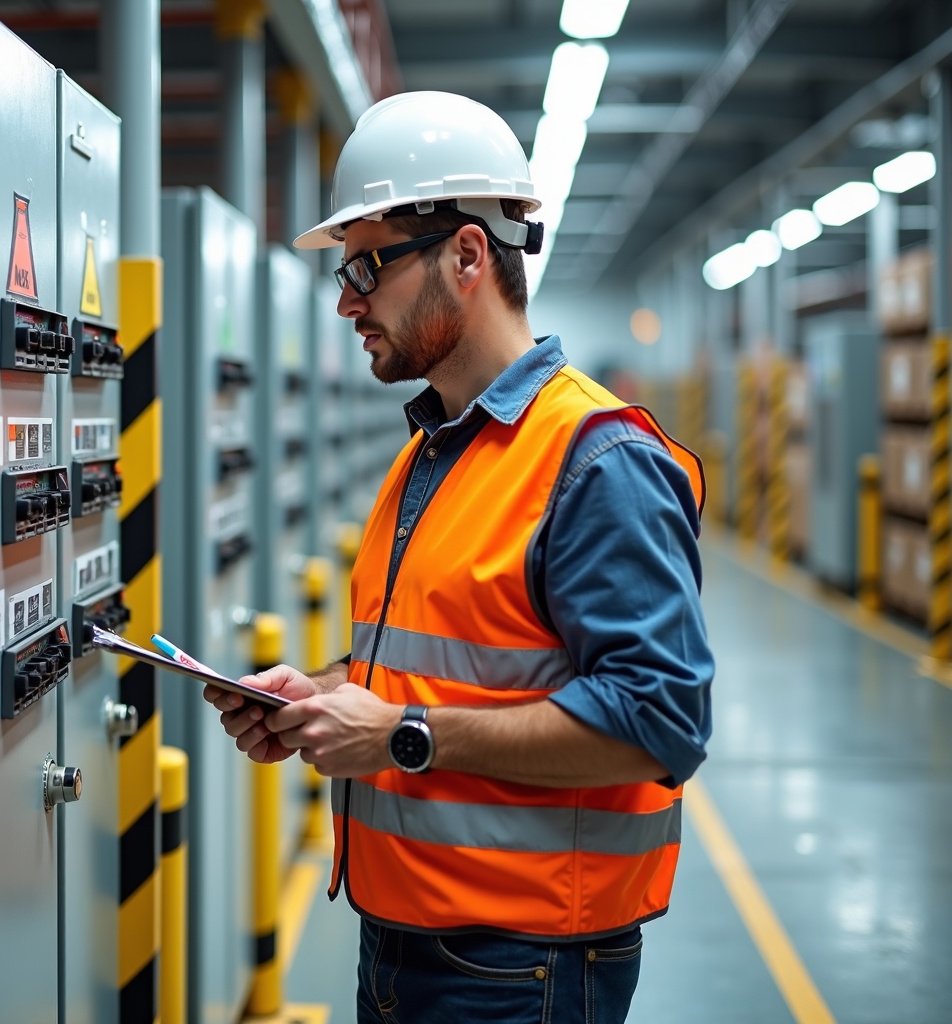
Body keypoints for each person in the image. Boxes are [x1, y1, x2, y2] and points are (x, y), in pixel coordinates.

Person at [202, 91, 714, 1024]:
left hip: (524, 970)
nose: (348, 298)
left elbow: (662, 720)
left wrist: (401, 733)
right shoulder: (431, 452)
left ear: (469, 255)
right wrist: (321, 698)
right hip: (402, 943)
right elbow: (437, 662)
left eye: (368, 264)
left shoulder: (597, 460)